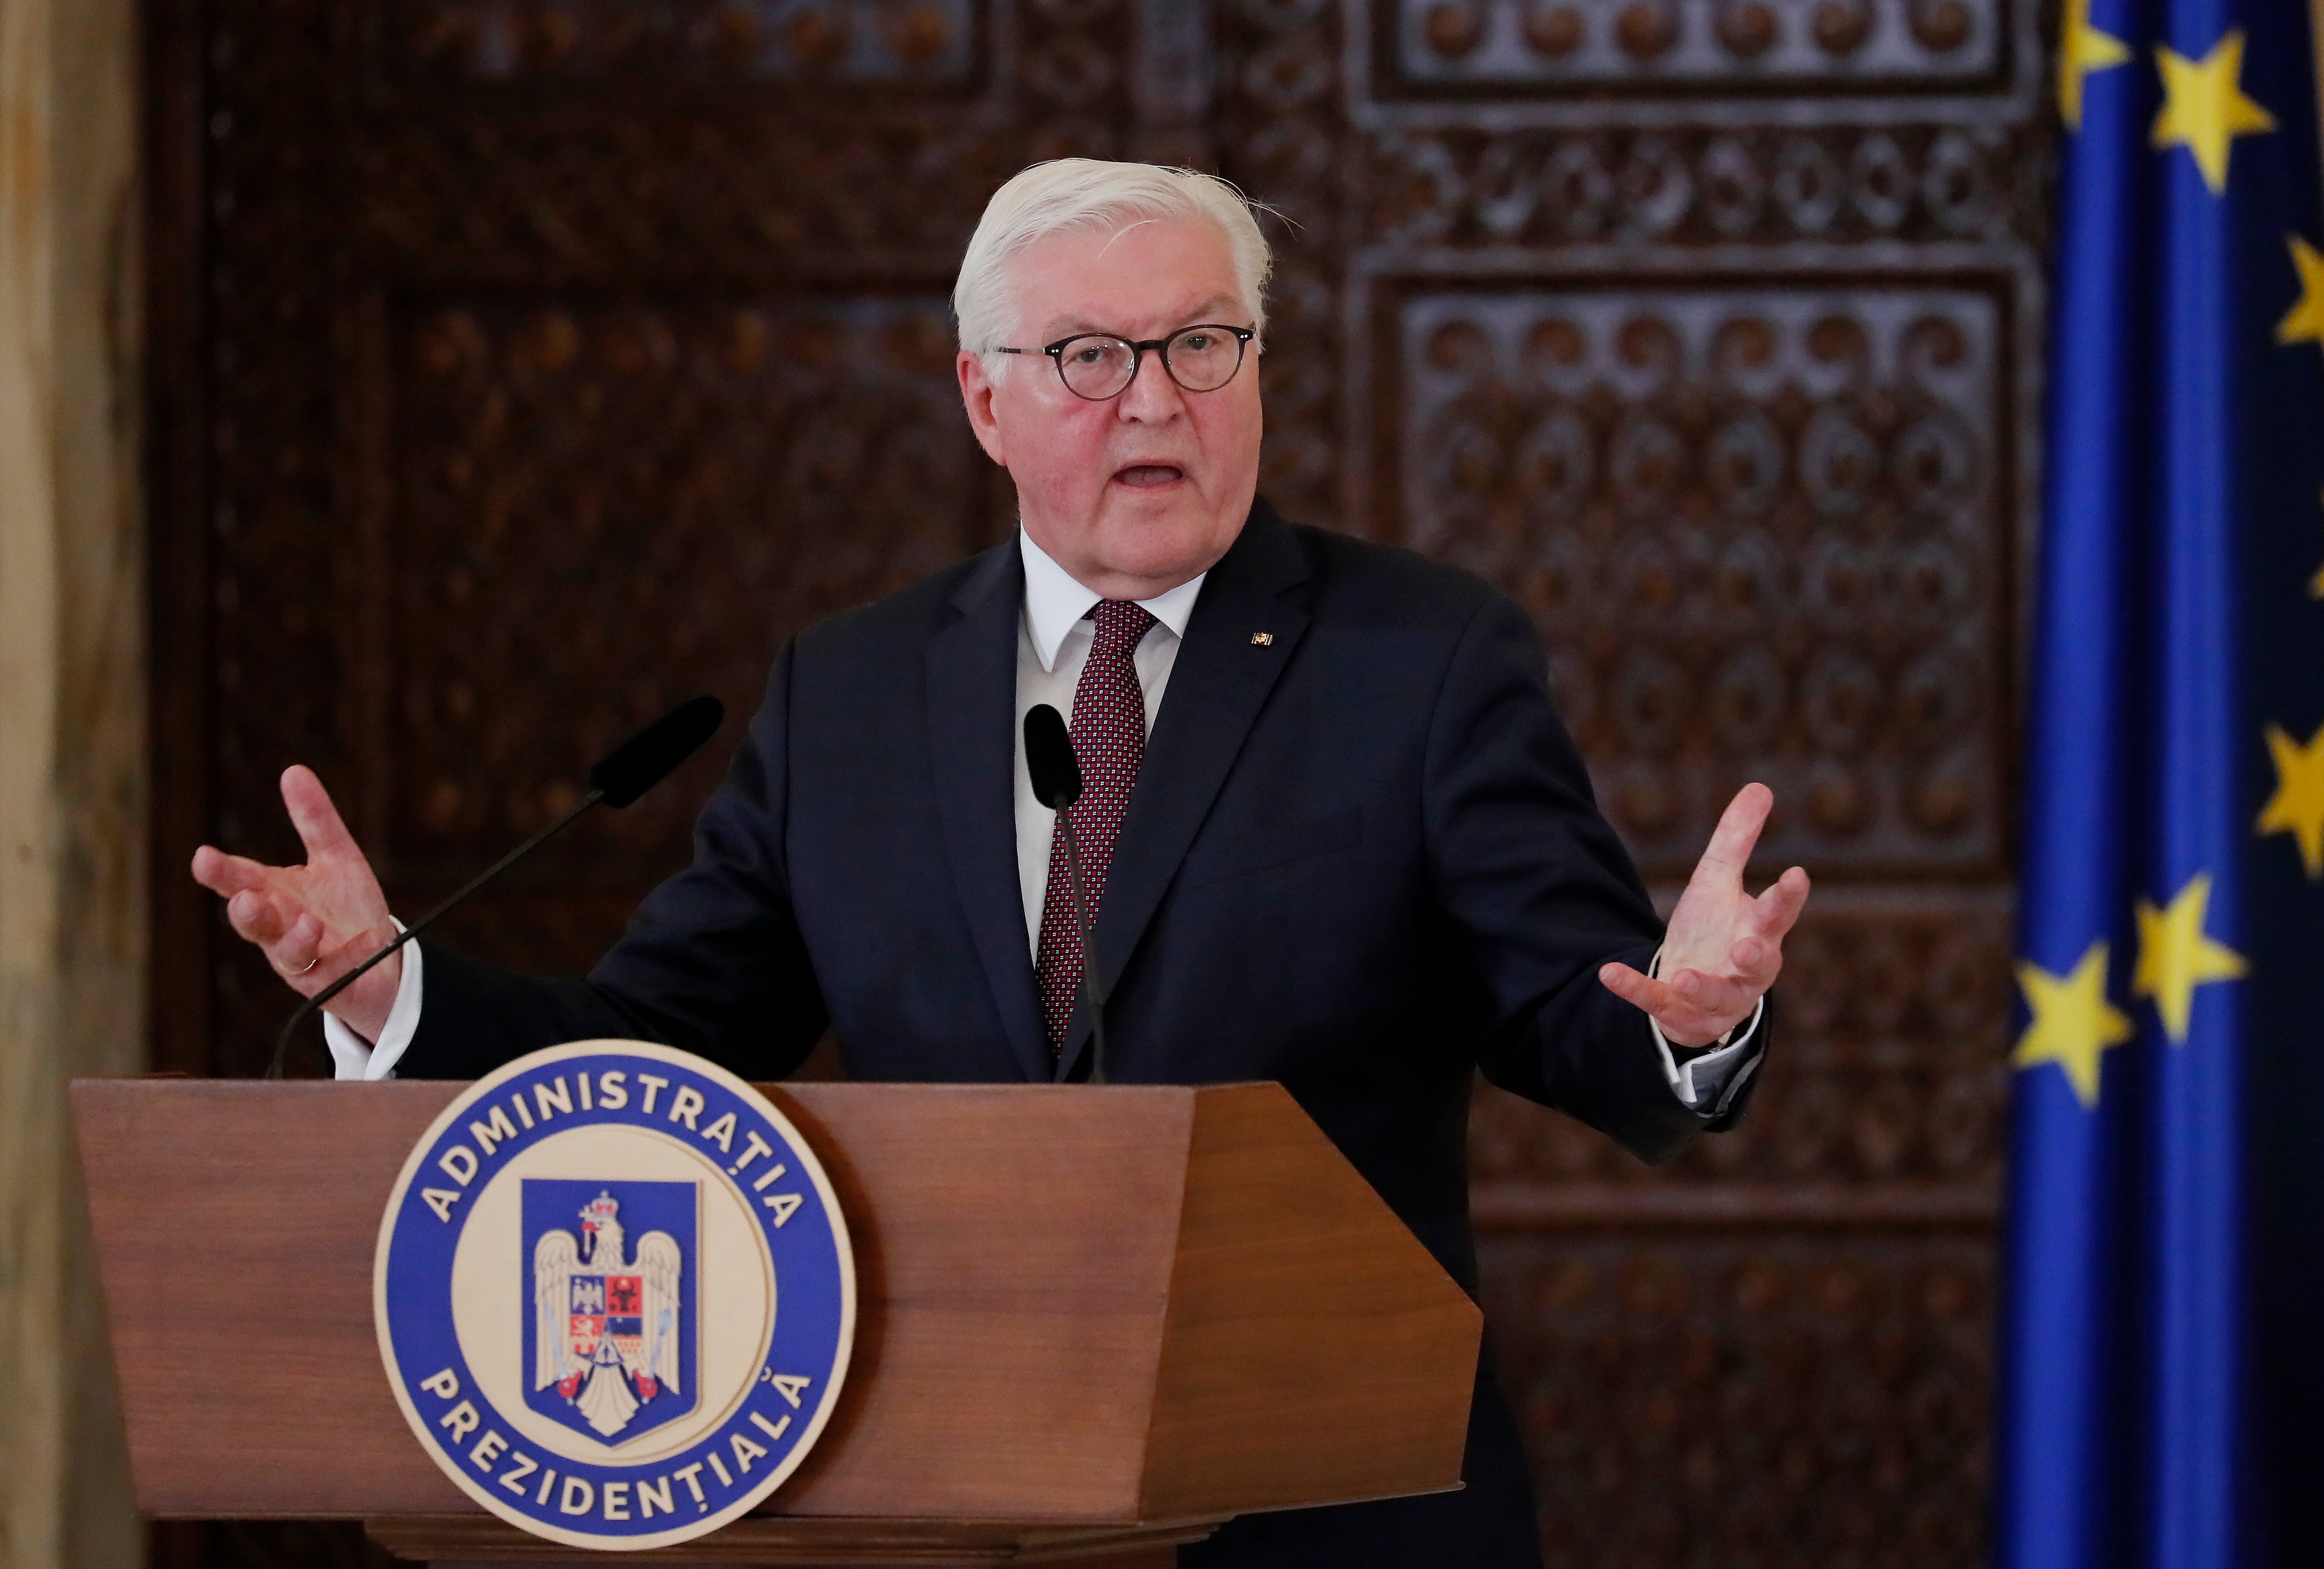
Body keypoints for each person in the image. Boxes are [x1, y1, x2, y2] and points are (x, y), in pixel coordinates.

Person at [191, 159, 1811, 1567]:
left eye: (1202, 344)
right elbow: (667, 1055)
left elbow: (1574, 1010)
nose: (1158, 398)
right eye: (1093, 356)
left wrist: (1689, 1025)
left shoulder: (1424, 658)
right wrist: (396, 995)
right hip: (936, 1497)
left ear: (1257, 370)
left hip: (1329, 1501)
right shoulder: (855, 690)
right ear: (985, 398)